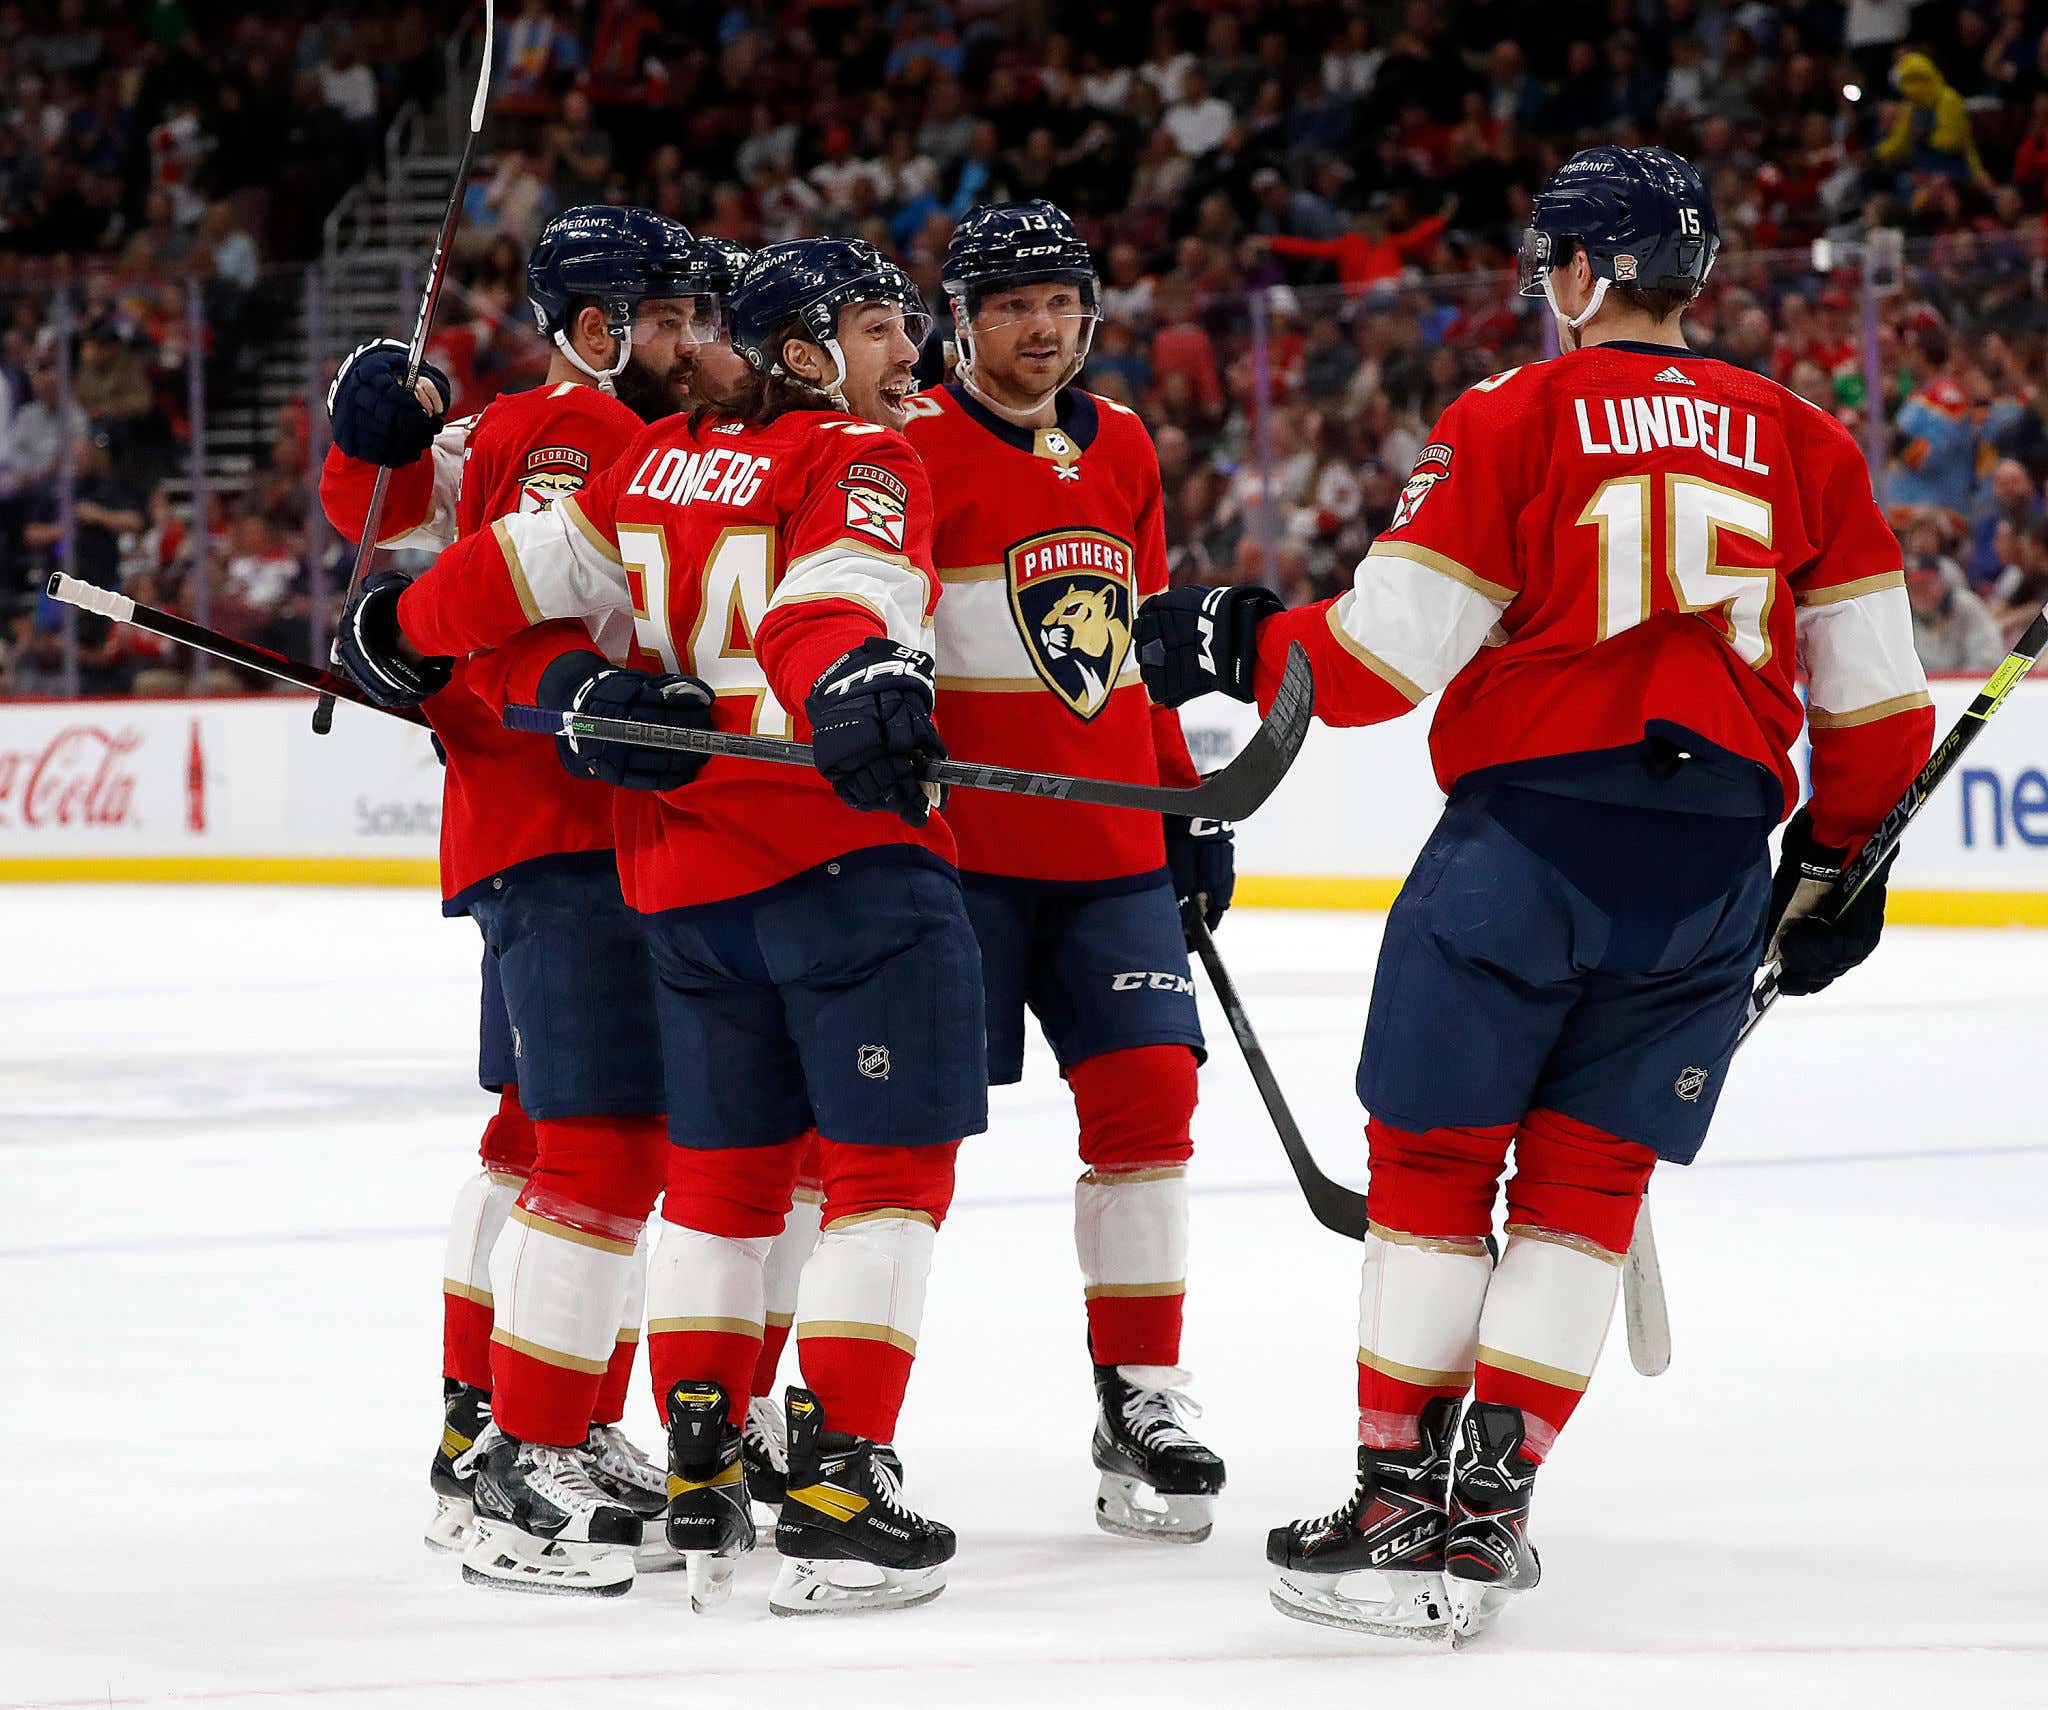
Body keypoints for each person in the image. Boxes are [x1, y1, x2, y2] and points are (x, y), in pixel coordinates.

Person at [1136, 146, 1935, 1642]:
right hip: (1708, 872)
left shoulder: (1518, 412)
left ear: (1577, 272)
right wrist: (1836, 865)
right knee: (1587, 1193)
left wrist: (1235, 636)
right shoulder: (1807, 435)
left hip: (1524, 853)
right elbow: (1879, 708)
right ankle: (1489, 1518)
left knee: (1436, 1169)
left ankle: (1394, 1506)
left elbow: (1376, 661)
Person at [359, 237, 987, 1617]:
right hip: (781, 856)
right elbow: (836, 603)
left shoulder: (649, 457)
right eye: (884, 329)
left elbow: (515, 569)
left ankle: (688, 1454)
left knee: (702, 1167)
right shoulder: (842, 455)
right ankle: (547, 1450)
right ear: (808, 349)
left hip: (676, 875)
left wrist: (397, 622)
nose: (913, 354)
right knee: (757, 1162)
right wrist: (860, 674)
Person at [324, 206, 722, 1594]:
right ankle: (512, 1454)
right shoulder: (577, 429)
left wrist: (371, 439)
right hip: (568, 826)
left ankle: (499, 1420)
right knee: (600, 1143)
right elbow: (469, 566)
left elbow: (375, 504)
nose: (693, 339)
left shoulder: (577, 427)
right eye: (667, 317)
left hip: (574, 828)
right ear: (599, 327)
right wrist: (366, 428)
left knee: (549, 1135)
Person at [900, 200, 1227, 1542]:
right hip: (958, 862)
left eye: (1062, 301)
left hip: (1106, 857)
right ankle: (812, 1419)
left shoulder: (1128, 444)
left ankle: (1140, 1398)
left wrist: (1183, 799)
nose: (1043, 328)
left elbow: (1135, 647)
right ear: (961, 321)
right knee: (887, 1145)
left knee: (1152, 1102)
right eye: (1014, 304)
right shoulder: (907, 447)